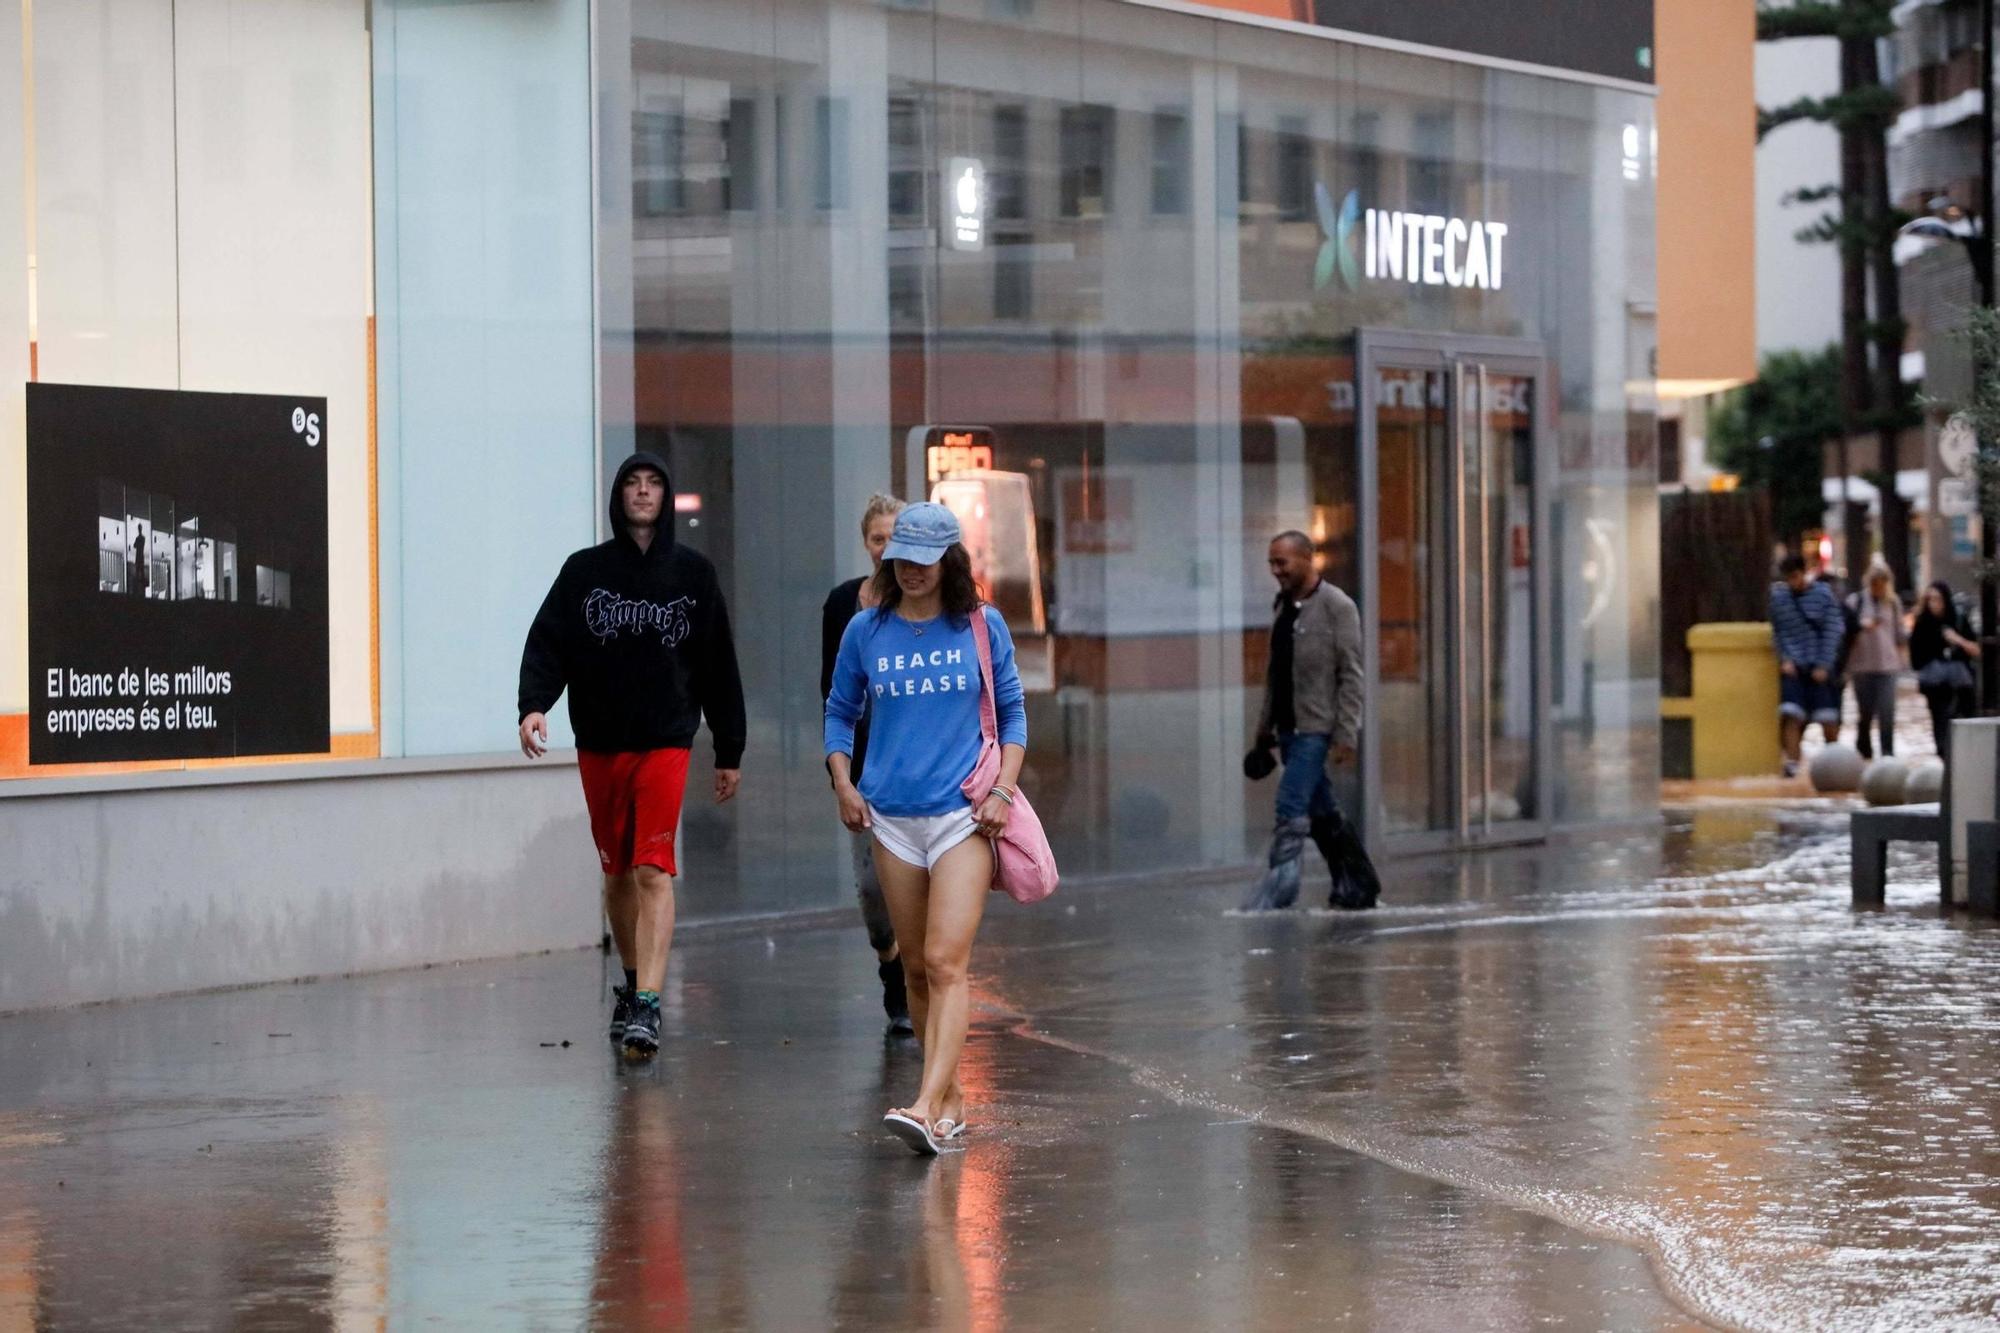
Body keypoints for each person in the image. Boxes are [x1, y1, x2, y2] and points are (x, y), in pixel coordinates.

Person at [517, 451, 746, 1060]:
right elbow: (549, 641)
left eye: (653, 485)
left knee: (651, 867)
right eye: (632, 484)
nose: (643, 494)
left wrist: (729, 747)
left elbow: (719, 663)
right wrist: (534, 704)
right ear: (618, 497)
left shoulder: (694, 576)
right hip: (599, 740)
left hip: (667, 738)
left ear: (666, 498)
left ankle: (648, 1003)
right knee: (617, 870)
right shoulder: (583, 572)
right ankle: (630, 981)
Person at [824, 502, 1026, 1155]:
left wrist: (1002, 790)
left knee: (946, 960)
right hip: (890, 817)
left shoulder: (979, 625)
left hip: (961, 815)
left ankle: (924, 1099)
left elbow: (1016, 716)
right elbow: (838, 712)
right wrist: (843, 781)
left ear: (949, 561)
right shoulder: (865, 629)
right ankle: (951, 1101)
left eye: (922, 559)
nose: (909, 569)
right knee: (914, 967)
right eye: (899, 558)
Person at [820, 493, 913, 1037]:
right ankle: (890, 963)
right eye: (879, 538)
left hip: (920, 767)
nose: (887, 548)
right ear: (866, 543)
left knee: (920, 883)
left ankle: (922, 985)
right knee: (873, 888)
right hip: (863, 769)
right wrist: (839, 776)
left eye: (895, 537)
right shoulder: (842, 606)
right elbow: (831, 693)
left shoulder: (925, 601)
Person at [1242, 531, 1366, 911]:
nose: (1276, 570)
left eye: (1283, 562)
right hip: (1287, 730)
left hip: (1317, 728)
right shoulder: (1282, 606)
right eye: (1271, 563)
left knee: (1290, 804)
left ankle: (1280, 887)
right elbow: (1275, 674)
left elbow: (1351, 674)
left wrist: (1346, 734)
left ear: (1308, 558)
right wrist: (1264, 730)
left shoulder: (1337, 607)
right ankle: (1357, 883)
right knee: (1322, 811)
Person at [1769, 554, 1844, 779]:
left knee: (1828, 719)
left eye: (1795, 577)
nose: (1793, 582)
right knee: (1791, 716)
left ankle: (1835, 763)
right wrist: (1784, 659)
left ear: (1804, 572)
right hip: (1793, 667)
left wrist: (1824, 665)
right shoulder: (1779, 599)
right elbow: (1777, 632)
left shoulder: (1823, 596)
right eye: (1788, 578)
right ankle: (1792, 763)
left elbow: (1832, 632)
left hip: (1818, 668)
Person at [1910, 580, 1982, 761]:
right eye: (1930, 599)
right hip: (1935, 684)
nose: (1934, 604)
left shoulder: (1958, 619)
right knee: (1940, 719)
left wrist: (1957, 640)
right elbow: (1915, 658)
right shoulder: (1922, 623)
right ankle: (1944, 754)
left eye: (1938, 599)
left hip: (1960, 683)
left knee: (1962, 717)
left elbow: (1976, 650)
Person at [1844, 557, 1907, 761]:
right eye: (1874, 582)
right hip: (1861, 666)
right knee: (1865, 713)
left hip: (1888, 667)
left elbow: (1900, 636)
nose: (1878, 587)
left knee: (1887, 713)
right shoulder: (1856, 602)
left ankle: (1887, 754)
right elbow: (1847, 631)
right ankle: (1864, 750)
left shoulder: (1894, 603)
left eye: (1882, 582)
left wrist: (1902, 662)